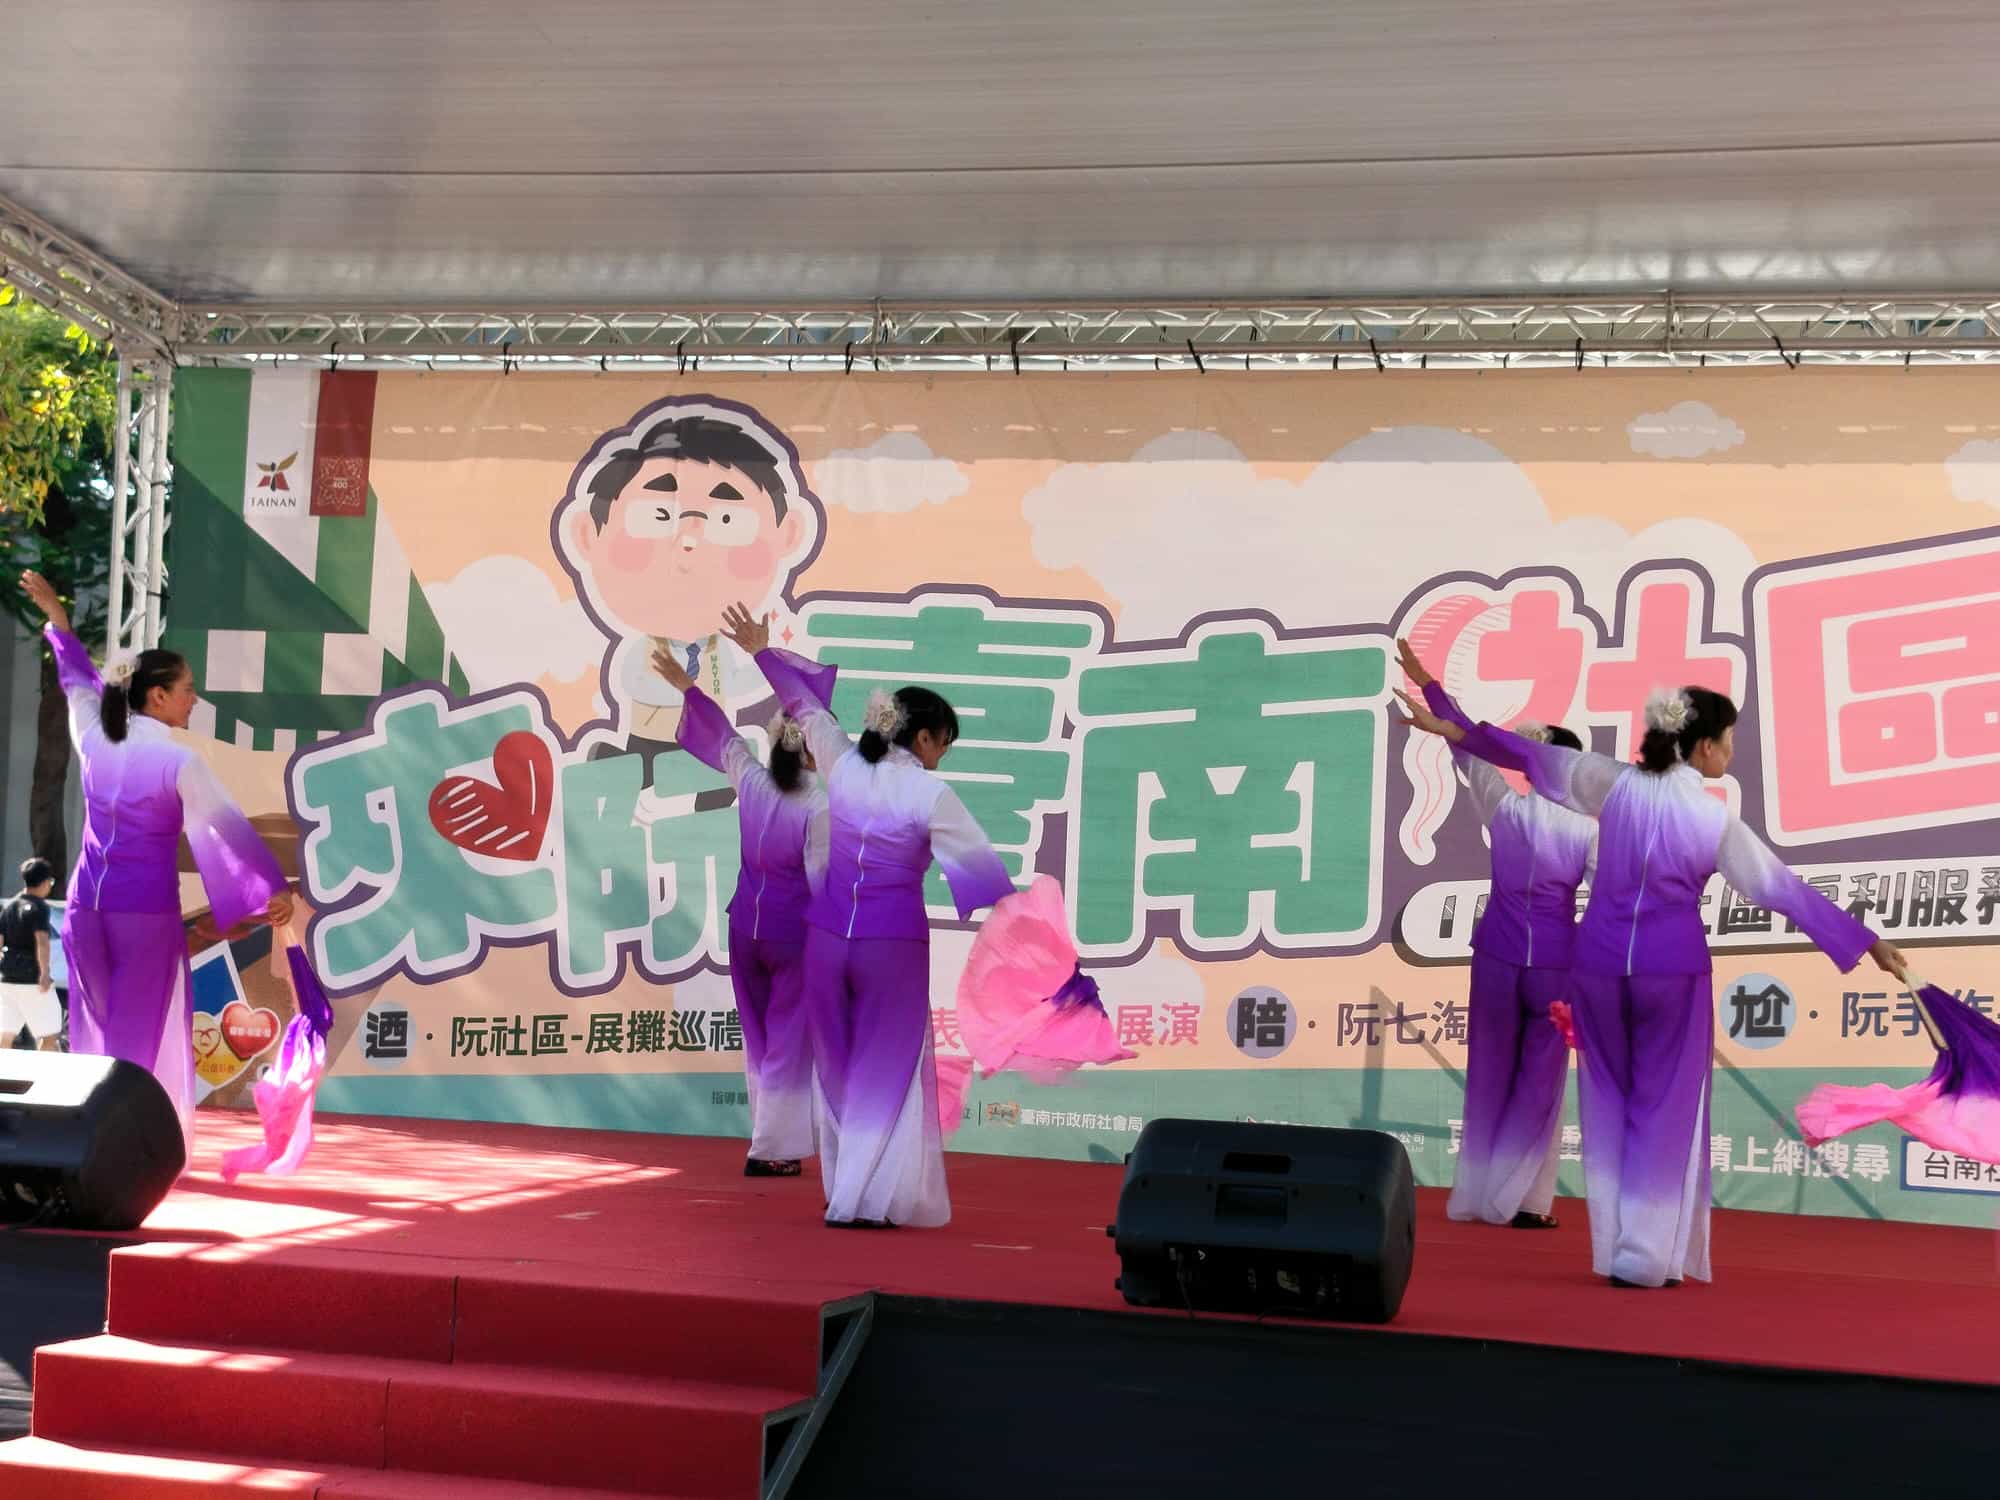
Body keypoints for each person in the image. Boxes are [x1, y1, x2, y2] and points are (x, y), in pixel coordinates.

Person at [1394, 665, 1901, 1288]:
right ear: (1704, 746)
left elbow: (1522, 753)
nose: (1731, 752)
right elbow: (1781, 889)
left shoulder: (1611, 784)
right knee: (1664, 1109)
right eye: (1729, 741)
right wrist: (1864, 940)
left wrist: (1447, 714)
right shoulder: (1713, 819)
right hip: (1670, 974)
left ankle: (1615, 1251)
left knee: (1607, 1104)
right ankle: (1644, 1255)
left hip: (1597, 969)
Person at [732, 603, 1015, 1229]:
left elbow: (802, 705)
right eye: (945, 741)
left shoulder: (842, 764)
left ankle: (843, 1192)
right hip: (892, 947)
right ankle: (864, 1201)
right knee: (885, 1073)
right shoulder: (929, 791)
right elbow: (981, 877)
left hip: (826, 943)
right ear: (924, 738)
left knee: (836, 1068)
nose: (944, 753)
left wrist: (760, 650)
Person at [21, 570, 292, 1160]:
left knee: (93, 1026)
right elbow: (225, 830)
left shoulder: (94, 737)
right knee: (140, 1032)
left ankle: (86, 1140)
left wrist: (58, 622)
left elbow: (78, 683)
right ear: (158, 697)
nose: (195, 699)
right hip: (143, 913)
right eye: (187, 689)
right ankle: (128, 1149)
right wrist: (269, 891)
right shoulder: (176, 762)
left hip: (87, 909)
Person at [1398, 641, 1595, 1231]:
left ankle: (1479, 1197)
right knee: (1540, 1082)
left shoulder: (1505, 809)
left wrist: (1431, 686)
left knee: (1488, 1075)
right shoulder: (1589, 831)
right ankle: (1524, 1203)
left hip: (1496, 957)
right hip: (1554, 965)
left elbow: (1463, 741)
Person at [554, 400, 822, 777]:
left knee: (716, 775)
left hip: (708, 742)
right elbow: (635, 682)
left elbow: (735, 682)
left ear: (789, 534)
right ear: (587, 535)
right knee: (643, 769)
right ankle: (620, 764)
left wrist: (767, 662)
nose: (689, 542)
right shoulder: (648, 646)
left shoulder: (717, 648)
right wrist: (683, 688)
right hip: (650, 739)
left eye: (727, 520)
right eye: (658, 516)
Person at [652, 626, 834, 1178]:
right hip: (792, 934)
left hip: (745, 928)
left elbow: (723, 736)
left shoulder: (752, 779)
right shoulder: (819, 806)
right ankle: (772, 1148)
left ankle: (766, 1138)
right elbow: (822, 879)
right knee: (788, 1039)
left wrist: (687, 688)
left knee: (759, 1036)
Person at [0, 857, 61, 1050]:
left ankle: (4, 1068)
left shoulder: (9, 905)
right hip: (32, 979)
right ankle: (41, 1068)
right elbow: (41, 941)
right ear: (43, 882)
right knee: (50, 1034)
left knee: (6, 1034)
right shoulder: (39, 907)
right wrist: (44, 973)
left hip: (7, 978)